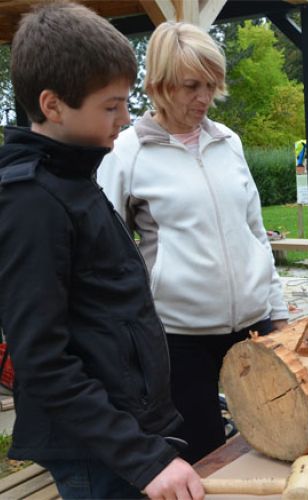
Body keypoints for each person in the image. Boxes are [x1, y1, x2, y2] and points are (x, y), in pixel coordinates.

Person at [0, 3, 203, 498]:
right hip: (95, 451)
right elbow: (42, 360)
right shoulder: (31, 199)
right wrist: (144, 458)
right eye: (111, 107)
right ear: (53, 106)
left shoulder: (74, 176)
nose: (125, 118)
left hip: (124, 433)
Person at [98, 21, 289, 465]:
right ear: (159, 84)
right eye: (190, 86)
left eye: (210, 85)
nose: (203, 98)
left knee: (276, 440)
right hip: (179, 337)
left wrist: (277, 311)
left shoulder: (229, 142)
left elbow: (255, 231)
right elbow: (107, 252)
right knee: (203, 457)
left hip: (253, 324)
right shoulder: (128, 151)